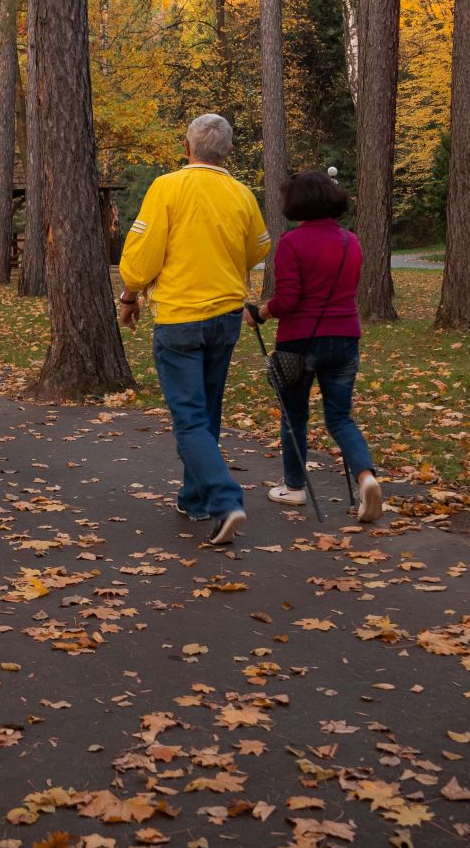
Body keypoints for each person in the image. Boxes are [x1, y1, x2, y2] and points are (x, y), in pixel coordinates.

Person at [118, 113, 272, 546]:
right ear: (227, 151)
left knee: (189, 416)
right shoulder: (241, 194)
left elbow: (142, 255)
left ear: (187, 147)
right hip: (225, 315)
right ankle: (195, 497)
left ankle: (225, 500)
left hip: (180, 315)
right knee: (207, 408)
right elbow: (259, 244)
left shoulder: (167, 187)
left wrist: (130, 297)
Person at [247, 170, 385, 522]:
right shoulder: (350, 241)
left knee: (295, 417)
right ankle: (366, 478)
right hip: (346, 339)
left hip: (300, 342)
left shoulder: (293, 243)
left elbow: (289, 299)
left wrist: (260, 312)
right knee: (340, 418)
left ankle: (294, 488)